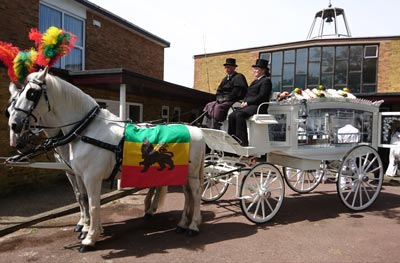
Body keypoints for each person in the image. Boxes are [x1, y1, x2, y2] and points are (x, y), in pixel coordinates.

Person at [228, 58, 272, 146]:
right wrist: (244, 102)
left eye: (256, 69)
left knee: (239, 115)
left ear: (263, 70)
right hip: (250, 105)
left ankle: (242, 141)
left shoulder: (266, 81)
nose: (254, 71)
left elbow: (262, 96)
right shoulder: (255, 81)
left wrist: (247, 103)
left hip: (259, 106)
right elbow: (248, 95)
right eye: (254, 69)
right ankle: (232, 139)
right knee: (232, 115)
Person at [202, 58, 248, 129]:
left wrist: (226, 98)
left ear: (233, 67)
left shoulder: (239, 77)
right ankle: (206, 125)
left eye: (228, 67)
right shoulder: (224, 79)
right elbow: (219, 90)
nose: (227, 69)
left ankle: (216, 124)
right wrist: (219, 98)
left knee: (218, 107)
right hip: (223, 99)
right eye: (226, 67)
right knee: (209, 105)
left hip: (234, 100)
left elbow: (237, 91)